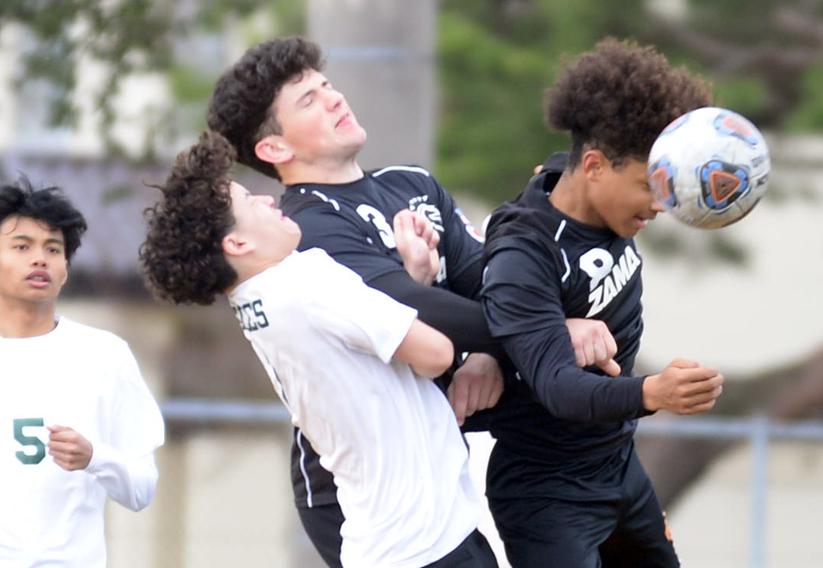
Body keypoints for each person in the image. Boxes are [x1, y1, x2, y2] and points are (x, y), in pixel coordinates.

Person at [205, 36, 619, 567]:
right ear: (275, 149)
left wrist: (487, 352)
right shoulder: (303, 231)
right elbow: (417, 315)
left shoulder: (410, 183)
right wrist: (547, 333)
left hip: (439, 458)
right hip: (358, 494)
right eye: (307, 100)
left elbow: (489, 284)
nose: (333, 97)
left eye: (326, 85)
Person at [139, 130, 498, 567]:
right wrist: (429, 294)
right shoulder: (306, 279)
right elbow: (436, 355)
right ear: (237, 244)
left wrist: (411, 282)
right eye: (251, 202)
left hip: (399, 541)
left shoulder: (254, 302)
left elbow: (381, 362)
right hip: (425, 544)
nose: (270, 201)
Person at [479, 38, 726, 567]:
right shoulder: (522, 257)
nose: (661, 204)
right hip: (548, 494)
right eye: (647, 185)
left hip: (617, 468)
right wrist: (653, 392)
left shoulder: (578, 189)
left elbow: (552, 176)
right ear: (593, 166)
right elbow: (559, 388)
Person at [0, 177, 165, 567]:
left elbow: (142, 489)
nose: (39, 259)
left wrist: (95, 457)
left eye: (53, 249)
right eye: (22, 246)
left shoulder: (104, 356)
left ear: (66, 270)